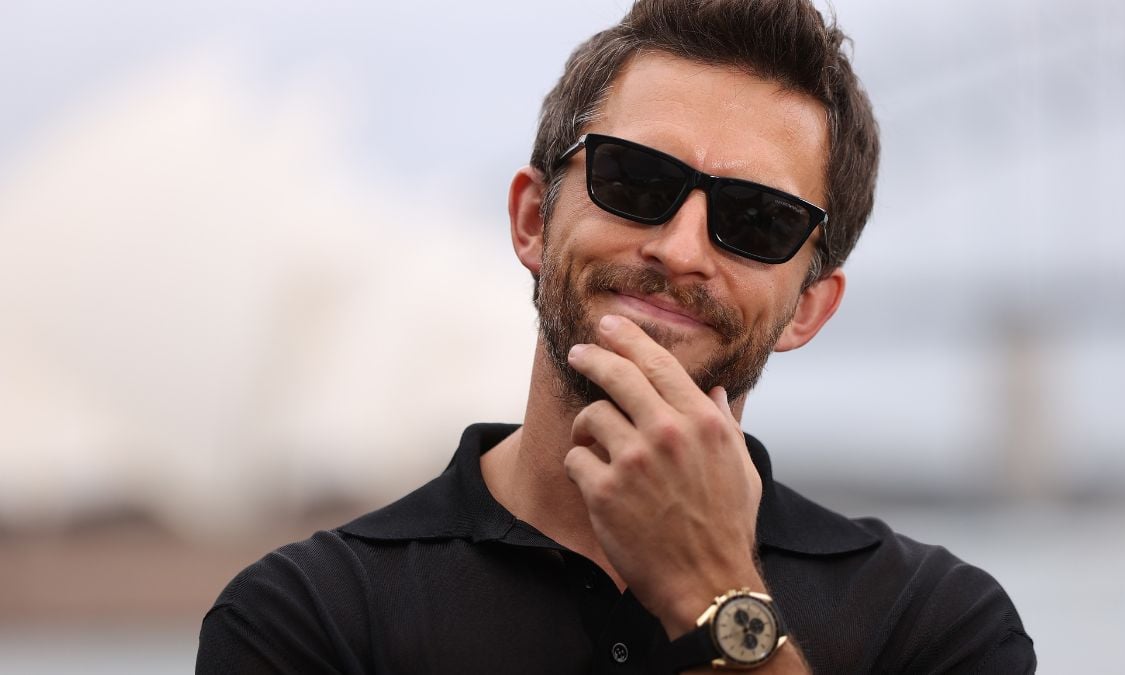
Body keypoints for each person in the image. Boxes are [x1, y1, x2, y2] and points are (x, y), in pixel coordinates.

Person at [197, 0, 1035, 672]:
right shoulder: (309, 618)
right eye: (635, 180)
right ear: (533, 219)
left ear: (810, 307)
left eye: (758, 219)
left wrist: (717, 596)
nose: (680, 249)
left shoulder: (936, 624)